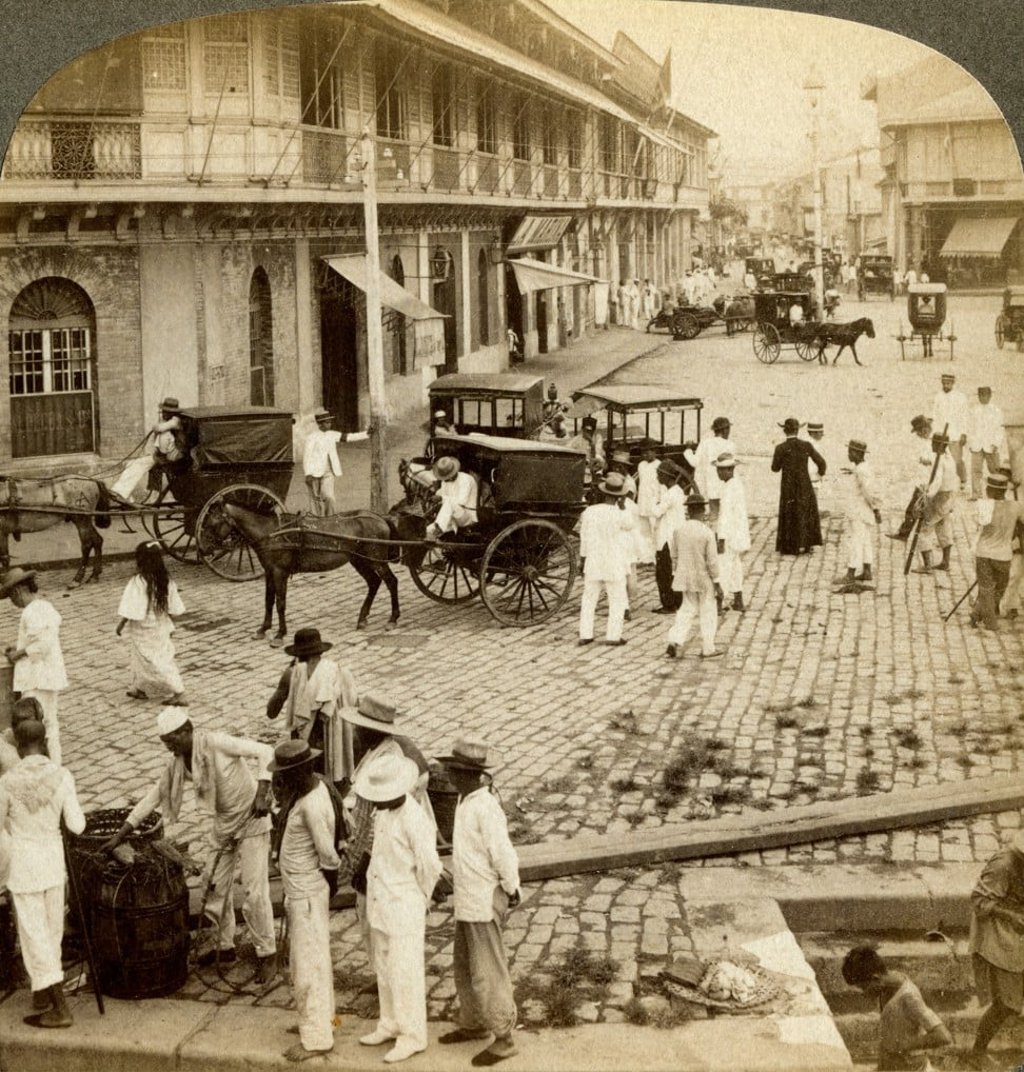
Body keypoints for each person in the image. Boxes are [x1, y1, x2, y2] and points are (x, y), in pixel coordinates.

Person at [101, 707, 279, 981]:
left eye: (172, 740)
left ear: (187, 730)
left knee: (255, 891)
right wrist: (122, 833)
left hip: (252, 820)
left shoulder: (217, 743)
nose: (169, 747)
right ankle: (225, 946)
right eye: (165, 743)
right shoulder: (179, 763)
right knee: (213, 885)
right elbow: (154, 796)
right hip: (223, 825)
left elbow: (265, 751)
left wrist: (263, 791)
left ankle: (268, 954)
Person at [340, 694, 433, 996]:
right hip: (374, 850)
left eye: (358, 728)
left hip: (385, 853)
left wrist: (358, 862)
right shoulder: (375, 752)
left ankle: (391, 986)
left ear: (371, 731)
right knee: (369, 918)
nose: (353, 733)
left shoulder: (389, 761)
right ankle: (382, 977)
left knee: (378, 919)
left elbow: (376, 821)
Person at [436, 739, 521, 1068]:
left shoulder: (485, 807)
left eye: (455, 772)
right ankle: (473, 1022)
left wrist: (511, 887)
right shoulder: (464, 801)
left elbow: (503, 853)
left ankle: (504, 1037)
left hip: (484, 900)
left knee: (488, 970)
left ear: (471, 775)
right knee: (465, 966)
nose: (449, 776)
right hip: (467, 900)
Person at [356, 752, 442, 1064]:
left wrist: (419, 898)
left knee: (405, 971)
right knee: (385, 968)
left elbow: (430, 867)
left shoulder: (414, 819)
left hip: (404, 905)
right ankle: (389, 1022)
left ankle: (412, 1034)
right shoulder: (383, 815)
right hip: (381, 903)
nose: (375, 803)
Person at [0, 718, 85, 1027]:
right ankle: (42, 992)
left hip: (24, 864)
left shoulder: (6, 782)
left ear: (20, 748)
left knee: (34, 935)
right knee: (51, 932)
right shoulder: (62, 776)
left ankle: (60, 1009)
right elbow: (77, 825)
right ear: (45, 743)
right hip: (52, 862)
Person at [270, 739, 340, 1064]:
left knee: (308, 964)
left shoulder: (312, 804)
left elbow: (328, 856)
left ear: (300, 772)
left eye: (286, 775)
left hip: (307, 894)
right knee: (312, 961)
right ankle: (323, 1021)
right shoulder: (311, 790)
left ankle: (316, 1039)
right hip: (303, 892)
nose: (281, 782)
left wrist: (320, 886)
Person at [266, 627, 358, 788]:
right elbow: (355, 707)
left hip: (303, 750)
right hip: (334, 748)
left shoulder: (292, 674)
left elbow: (271, 712)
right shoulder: (338, 672)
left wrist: (288, 678)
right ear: (320, 651)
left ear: (297, 654)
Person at [841, 946, 951, 1070]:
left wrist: (904, 1045)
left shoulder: (908, 998)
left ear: (875, 978)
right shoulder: (889, 981)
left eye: (864, 988)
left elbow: (943, 1036)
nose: (864, 994)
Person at [1, 567, 67, 767]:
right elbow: (38, 639)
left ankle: (47, 764)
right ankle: (51, 762)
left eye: (12, 596)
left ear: (19, 591)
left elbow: (41, 645)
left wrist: (18, 654)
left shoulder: (32, 611)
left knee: (38, 725)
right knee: (47, 722)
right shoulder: (44, 606)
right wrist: (20, 647)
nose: (13, 602)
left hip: (38, 677)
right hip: (46, 675)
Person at [969, 830, 1024, 1061]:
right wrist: (1011, 916)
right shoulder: (1004, 864)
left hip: (1018, 933)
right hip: (999, 934)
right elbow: (978, 900)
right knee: (1006, 1004)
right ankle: (977, 1053)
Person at [116, 540, 187, 705]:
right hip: (160, 625)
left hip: (143, 627)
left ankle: (180, 692)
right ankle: (141, 687)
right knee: (147, 658)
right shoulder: (165, 580)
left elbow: (131, 607)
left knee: (154, 660)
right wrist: (170, 624)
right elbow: (173, 607)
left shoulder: (138, 581)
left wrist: (122, 622)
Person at [577, 471, 633, 647]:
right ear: (619, 496)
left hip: (593, 560)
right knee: (616, 599)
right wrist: (622, 506)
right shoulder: (620, 514)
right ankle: (613, 636)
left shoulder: (590, 512)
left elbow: (584, 537)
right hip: (614, 563)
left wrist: (582, 559)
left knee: (589, 599)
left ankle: (585, 634)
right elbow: (630, 525)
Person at [665, 493, 723, 660]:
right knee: (708, 611)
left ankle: (675, 640)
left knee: (687, 609)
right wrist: (717, 582)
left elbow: (674, 555)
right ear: (702, 510)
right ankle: (708, 648)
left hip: (685, 577)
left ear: (688, 511)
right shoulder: (707, 532)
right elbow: (712, 561)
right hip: (704, 578)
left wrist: (678, 572)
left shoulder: (678, 530)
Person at [969, 473, 1024, 631]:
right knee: (999, 588)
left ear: (991, 491)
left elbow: (979, 523)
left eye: (988, 488)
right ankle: (988, 620)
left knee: (986, 588)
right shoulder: (1016, 506)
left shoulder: (982, 505)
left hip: (983, 553)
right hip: (1003, 556)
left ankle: (981, 616)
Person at [110, 396, 188, 501]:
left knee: (139, 464)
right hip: (165, 454)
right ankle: (125, 495)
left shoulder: (176, 421)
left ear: (173, 413)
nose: (164, 414)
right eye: (163, 411)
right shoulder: (169, 421)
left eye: (167, 412)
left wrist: (159, 425)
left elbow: (158, 428)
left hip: (173, 456)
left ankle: (121, 492)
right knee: (131, 464)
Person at [771, 419, 826, 555]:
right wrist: (820, 474)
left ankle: (790, 545)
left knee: (789, 512)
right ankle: (807, 544)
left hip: (788, 486)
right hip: (804, 484)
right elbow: (822, 462)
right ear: (797, 430)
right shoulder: (806, 445)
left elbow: (775, 468)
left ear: (785, 430)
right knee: (805, 511)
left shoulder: (780, 448)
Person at [836, 440, 882, 586]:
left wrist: (876, 509)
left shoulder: (862, 470)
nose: (848, 454)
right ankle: (867, 570)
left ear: (857, 453)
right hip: (863, 510)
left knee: (856, 541)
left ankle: (851, 573)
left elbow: (868, 492)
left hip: (860, 511)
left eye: (850, 452)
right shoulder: (863, 467)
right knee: (865, 539)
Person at [913, 433, 958, 574]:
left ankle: (927, 566)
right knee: (943, 527)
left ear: (939, 445)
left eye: (934, 443)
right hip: (949, 496)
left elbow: (937, 482)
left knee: (924, 529)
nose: (931, 445)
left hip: (938, 497)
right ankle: (945, 562)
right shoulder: (949, 458)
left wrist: (926, 498)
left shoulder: (939, 461)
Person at [651, 460, 688, 613]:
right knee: (674, 571)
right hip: (676, 535)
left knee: (663, 572)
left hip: (666, 537)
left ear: (666, 476)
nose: (658, 477)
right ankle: (677, 601)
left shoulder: (669, 495)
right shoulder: (678, 491)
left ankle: (668, 603)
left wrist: (654, 503)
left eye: (659, 474)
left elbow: (656, 511)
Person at [714, 453, 750, 613]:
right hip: (738, 534)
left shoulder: (729, 488)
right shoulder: (736, 484)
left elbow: (725, 516)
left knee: (723, 567)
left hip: (728, 535)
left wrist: (721, 538)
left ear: (730, 470)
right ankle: (738, 600)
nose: (718, 473)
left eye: (721, 470)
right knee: (735, 567)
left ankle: (718, 604)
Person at [892, 416, 935, 542]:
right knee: (913, 508)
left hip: (931, 482)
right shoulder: (919, 442)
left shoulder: (933, 441)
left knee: (919, 510)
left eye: (920, 431)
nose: (919, 434)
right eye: (918, 432)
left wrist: (928, 461)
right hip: (922, 481)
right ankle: (904, 533)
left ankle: (907, 534)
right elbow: (917, 459)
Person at [684, 417, 735, 524]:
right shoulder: (731, 445)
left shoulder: (706, 443)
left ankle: (713, 535)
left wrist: (688, 450)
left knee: (713, 514)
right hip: (727, 484)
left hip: (711, 485)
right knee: (725, 513)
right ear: (724, 430)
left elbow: (694, 462)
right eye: (728, 429)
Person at [968, 387, 1007, 501]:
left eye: (985, 395)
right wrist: (971, 442)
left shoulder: (996, 411)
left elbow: (1000, 429)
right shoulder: (973, 410)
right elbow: (970, 427)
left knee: (995, 470)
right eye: (980, 395)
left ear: (990, 396)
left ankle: (999, 493)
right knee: (976, 470)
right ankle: (976, 494)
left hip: (991, 446)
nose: (983, 398)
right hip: (977, 445)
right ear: (978, 396)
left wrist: (996, 443)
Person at [931, 373, 969, 487]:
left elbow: (965, 416)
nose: (946, 385)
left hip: (955, 433)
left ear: (953, 383)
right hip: (940, 432)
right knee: (939, 458)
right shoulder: (938, 396)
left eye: (949, 383)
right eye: (944, 383)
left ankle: (963, 480)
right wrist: (934, 431)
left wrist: (964, 433)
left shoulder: (960, 397)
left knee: (957, 459)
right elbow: (934, 414)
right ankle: (940, 480)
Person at [303, 408, 342, 517]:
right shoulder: (312, 437)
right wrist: (308, 473)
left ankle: (331, 519)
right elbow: (307, 456)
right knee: (315, 500)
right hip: (314, 474)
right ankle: (318, 523)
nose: (329, 424)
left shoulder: (332, 434)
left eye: (330, 422)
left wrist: (367, 434)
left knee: (329, 497)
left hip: (328, 473)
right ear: (320, 424)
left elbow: (348, 437)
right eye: (326, 422)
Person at [427, 457, 479, 537]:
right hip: (451, 515)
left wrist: (441, 498)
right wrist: (435, 496)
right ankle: (434, 531)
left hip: (467, 516)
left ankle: (439, 529)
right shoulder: (445, 481)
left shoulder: (466, 479)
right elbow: (442, 493)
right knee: (429, 530)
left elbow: (461, 501)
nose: (444, 480)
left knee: (450, 503)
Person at [634, 440, 661, 566]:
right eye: (644, 452)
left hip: (654, 501)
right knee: (644, 531)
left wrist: (659, 501)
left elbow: (660, 485)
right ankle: (646, 557)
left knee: (655, 529)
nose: (646, 454)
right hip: (643, 501)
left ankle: (656, 556)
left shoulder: (659, 465)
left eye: (649, 451)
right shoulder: (641, 465)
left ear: (654, 452)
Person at [566, 416, 605, 494]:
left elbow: (596, 456)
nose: (588, 432)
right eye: (586, 430)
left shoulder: (598, 438)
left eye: (590, 431)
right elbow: (567, 451)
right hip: (580, 469)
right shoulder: (575, 440)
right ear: (582, 429)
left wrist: (592, 443)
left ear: (594, 430)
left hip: (594, 469)